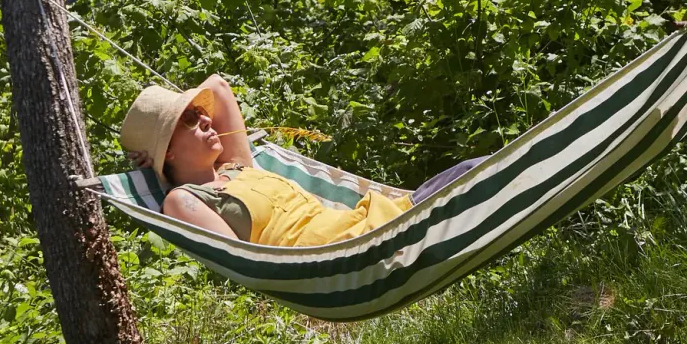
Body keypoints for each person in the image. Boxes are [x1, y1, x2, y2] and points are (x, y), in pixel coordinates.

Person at [120, 76, 485, 246]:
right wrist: (159, 176)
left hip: (382, 219)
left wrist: (177, 123)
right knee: (481, 178)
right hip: (356, 251)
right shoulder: (184, 199)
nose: (204, 117)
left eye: (202, 112)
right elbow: (240, 259)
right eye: (188, 119)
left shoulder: (238, 166)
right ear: (167, 149)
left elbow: (217, 86)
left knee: (481, 171)